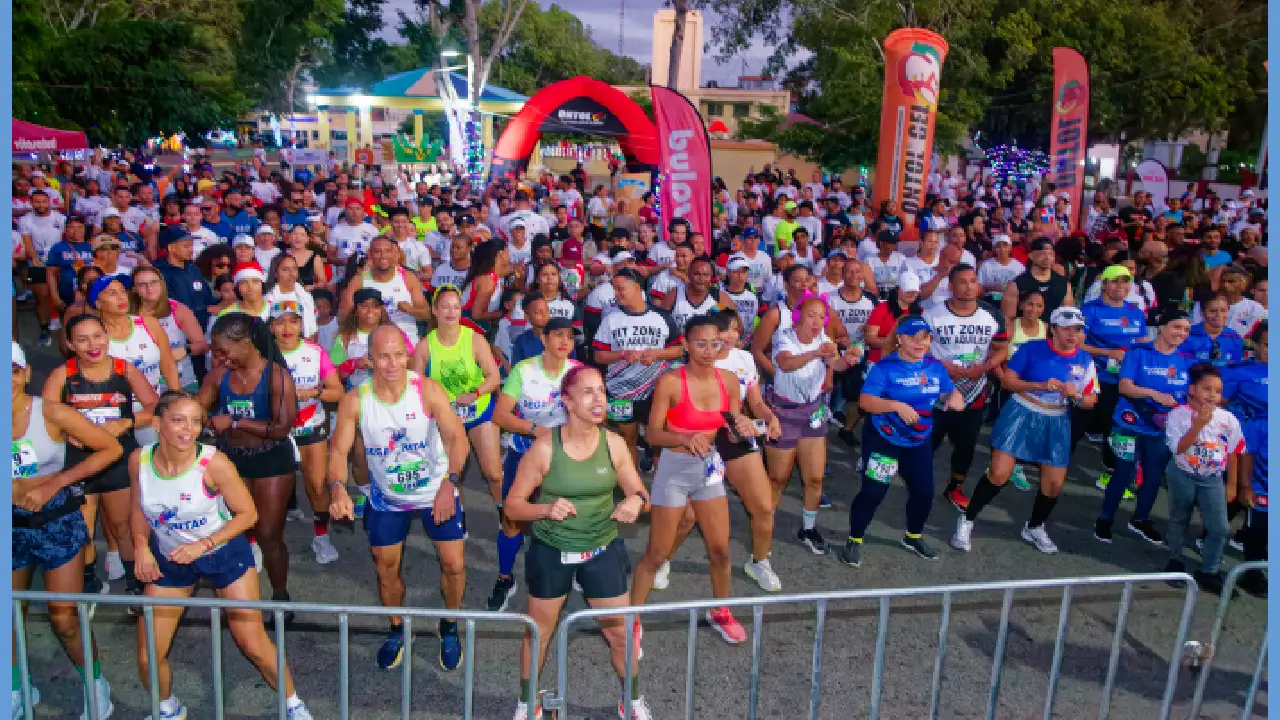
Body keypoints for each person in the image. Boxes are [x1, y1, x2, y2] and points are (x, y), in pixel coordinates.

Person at [129, 391, 315, 720]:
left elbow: (248, 514)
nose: (188, 429)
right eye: (178, 420)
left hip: (223, 553)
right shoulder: (139, 461)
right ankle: (168, 709)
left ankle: (293, 704)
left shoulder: (213, 462)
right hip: (171, 560)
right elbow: (138, 507)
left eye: (195, 421)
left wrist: (203, 545)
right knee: (147, 656)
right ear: (157, 424)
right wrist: (141, 546)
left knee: (253, 643)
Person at [504, 365, 651, 720]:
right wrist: (545, 509)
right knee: (538, 634)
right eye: (588, 392)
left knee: (620, 635)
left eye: (601, 391)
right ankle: (527, 702)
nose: (599, 399)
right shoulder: (544, 448)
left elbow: (641, 494)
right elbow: (512, 506)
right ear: (567, 402)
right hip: (552, 551)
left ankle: (631, 700)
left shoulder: (614, 444)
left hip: (601, 548)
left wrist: (635, 502)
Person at [327, 324, 471, 671]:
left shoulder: (427, 390)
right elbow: (338, 450)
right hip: (387, 499)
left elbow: (457, 439)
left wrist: (451, 483)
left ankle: (450, 625)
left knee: (454, 565)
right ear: (370, 359)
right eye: (383, 357)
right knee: (385, 568)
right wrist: (337, 487)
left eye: (398, 355)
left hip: (436, 491)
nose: (392, 364)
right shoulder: (356, 400)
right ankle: (397, 628)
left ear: (407, 355)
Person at [632, 315, 761, 643]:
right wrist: (684, 437)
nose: (708, 350)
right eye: (700, 343)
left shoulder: (729, 380)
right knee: (656, 554)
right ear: (686, 345)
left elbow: (731, 426)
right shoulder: (670, 382)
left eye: (714, 343)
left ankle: (720, 611)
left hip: (709, 471)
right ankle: (631, 619)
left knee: (720, 550)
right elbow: (652, 434)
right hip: (674, 470)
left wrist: (744, 426)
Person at [11, 341, 122, 720]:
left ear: (26, 373)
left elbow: (109, 448)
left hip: (55, 522)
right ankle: (16, 687)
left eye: (12, 372)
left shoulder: (50, 412)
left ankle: (95, 684)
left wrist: (55, 483)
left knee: (64, 619)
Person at [952, 306, 1099, 555]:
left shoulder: (1085, 360)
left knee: (1054, 484)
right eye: (1067, 329)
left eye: (1077, 330)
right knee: (999, 474)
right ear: (1053, 329)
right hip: (1022, 411)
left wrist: (1076, 396)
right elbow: (1008, 381)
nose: (1072, 335)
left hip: (1057, 419)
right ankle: (967, 520)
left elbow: (1091, 400)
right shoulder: (1032, 349)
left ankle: (1034, 527)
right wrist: (1039, 385)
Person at [44, 312, 159, 606]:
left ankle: (135, 586)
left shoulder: (124, 369)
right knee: (82, 529)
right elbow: (44, 416)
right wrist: (66, 432)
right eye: (82, 340)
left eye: (97, 336)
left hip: (118, 459)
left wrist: (127, 422)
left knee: (122, 526)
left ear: (107, 336)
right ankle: (87, 584)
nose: (92, 345)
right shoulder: (63, 374)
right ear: (70, 344)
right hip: (78, 462)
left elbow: (155, 408)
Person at [840, 315, 964, 566]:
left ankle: (913, 536)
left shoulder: (935, 366)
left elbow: (948, 390)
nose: (920, 343)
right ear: (900, 339)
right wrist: (896, 405)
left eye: (925, 338)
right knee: (873, 492)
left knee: (923, 492)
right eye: (913, 338)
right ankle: (855, 538)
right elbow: (865, 402)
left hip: (918, 441)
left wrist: (953, 396)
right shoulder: (885, 367)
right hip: (884, 439)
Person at [197, 312, 299, 616]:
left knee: (268, 535)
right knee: (233, 532)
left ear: (246, 343)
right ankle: (239, 596)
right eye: (215, 351)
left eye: (223, 350)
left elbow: (281, 428)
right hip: (232, 459)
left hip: (272, 459)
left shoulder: (276, 375)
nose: (219, 357)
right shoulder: (219, 376)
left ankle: (280, 595)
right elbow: (197, 410)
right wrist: (197, 420)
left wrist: (234, 421)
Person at [490, 317, 581, 611]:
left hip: (564, 456)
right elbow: (501, 415)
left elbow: (596, 412)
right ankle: (505, 579)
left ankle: (573, 566)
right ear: (544, 339)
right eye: (558, 335)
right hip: (525, 453)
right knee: (512, 518)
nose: (565, 342)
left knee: (568, 514)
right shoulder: (524, 370)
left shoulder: (579, 372)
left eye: (570, 337)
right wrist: (535, 430)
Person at [1092, 308, 1194, 544]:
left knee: (1153, 476)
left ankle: (1140, 519)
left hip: (1161, 429)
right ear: (1162, 327)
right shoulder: (1138, 353)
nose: (1181, 333)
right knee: (1123, 473)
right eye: (1177, 327)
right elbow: (1124, 386)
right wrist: (1154, 394)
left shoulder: (1187, 360)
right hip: (1129, 423)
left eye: (1186, 330)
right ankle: (1105, 519)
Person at [767, 295, 859, 554]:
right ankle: (765, 524)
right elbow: (785, 363)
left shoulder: (824, 340)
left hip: (813, 413)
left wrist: (848, 359)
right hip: (784, 413)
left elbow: (835, 363)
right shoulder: (784, 337)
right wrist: (815, 353)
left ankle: (808, 529)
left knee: (815, 478)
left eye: (821, 317)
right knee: (778, 478)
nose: (817, 322)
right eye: (811, 316)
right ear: (798, 317)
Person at [411, 285, 504, 532]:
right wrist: (436, 404)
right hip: (447, 416)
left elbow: (494, 377)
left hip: (479, 409)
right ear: (434, 310)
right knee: (453, 473)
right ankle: (458, 519)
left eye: (456, 306)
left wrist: (475, 393)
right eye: (445, 307)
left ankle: (505, 512)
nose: (451, 312)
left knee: (494, 472)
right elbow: (416, 386)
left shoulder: (474, 339)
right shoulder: (425, 346)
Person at [927, 265, 1009, 511]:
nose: (969, 287)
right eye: (962, 282)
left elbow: (1001, 349)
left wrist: (984, 367)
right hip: (938, 389)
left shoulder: (992, 315)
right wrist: (941, 366)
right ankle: (919, 481)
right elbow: (916, 349)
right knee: (928, 441)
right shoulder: (931, 315)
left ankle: (955, 487)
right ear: (951, 286)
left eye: (973, 281)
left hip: (974, 390)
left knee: (966, 444)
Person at [270, 300, 344, 564]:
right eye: (280, 322)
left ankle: (321, 537)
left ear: (302, 325)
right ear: (271, 326)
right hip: (276, 430)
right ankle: (260, 542)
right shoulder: (262, 354)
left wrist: (314, 392)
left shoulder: (315, 352)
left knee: (316, 486)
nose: (287, 328)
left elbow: (337, 391)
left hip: (311, 425)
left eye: (293, 321)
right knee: (272, 490)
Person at [1161, 363, 1245, 594]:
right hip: (1182, 473)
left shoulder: (1227, 419)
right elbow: (1179, 449)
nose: (1213, 395)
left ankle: (1209, 571)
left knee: (1219, 527)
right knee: (1179, 517)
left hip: (1212, 478)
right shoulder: (1177, 416)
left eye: (1218, 391)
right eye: (1207, 389)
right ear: (1192, 389)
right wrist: (1198, 425)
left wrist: (1232, 484)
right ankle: (1174, 559)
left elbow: (1235, 451)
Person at [591, 269, 684, 462]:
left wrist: (657, 354)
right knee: (627, 439)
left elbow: (679, 350)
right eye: (614, 289)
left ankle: (659, 479)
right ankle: (631, 480)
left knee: (658, 441)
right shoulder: (610, 319)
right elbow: (598, 356)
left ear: (636, 287)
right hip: (620, 391)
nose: (616, 294)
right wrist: (622, 355)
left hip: (656, 391)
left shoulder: (662, 316)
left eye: (620, 288)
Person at [1077, 265, 1148, 489]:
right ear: (1105, 285)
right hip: (1098, 377)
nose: (1120, 286)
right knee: (1086, 423)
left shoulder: (1136, 312)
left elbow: (1143, 344)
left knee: (1119, 425)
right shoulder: (1090, 310)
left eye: (1125, 281)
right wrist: (1109, 353)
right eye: (1115, 281)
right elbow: (1077, 345)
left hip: (1127, 379)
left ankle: (1112, 472)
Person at [93, 274, 180, 442]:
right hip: (114, 410)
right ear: (98, 303)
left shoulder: (149, 324)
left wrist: (176, 400)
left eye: (122, 291)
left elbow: (168, 365)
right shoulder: (94, 335)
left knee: (155, 452)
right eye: (112, 293)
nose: (121, 297)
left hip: (151, 406)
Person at [1228, 323, 1268, 596]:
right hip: (1246, 457)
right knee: (1251, 517)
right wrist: (1245, 485)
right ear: (1255, 345)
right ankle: (1251, 574)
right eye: (1267, 345)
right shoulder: (1239, 372)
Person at [340, 235, 431, 345]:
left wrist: (410, 310)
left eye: (387, 251)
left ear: (394, 254)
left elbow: (427, 314)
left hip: (406, 343)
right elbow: (344, 316)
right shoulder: (359, 280)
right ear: (370, 254)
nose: (383, 256)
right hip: (371, 344)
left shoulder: (408, 278)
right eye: (378, 252)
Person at [132, 266, 204, 392]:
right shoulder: (128, 314)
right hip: (144, 387)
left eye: (153, 282)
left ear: (162, 284)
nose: (149, 288)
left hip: (182, 381)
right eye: (142, 285)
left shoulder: (178, 309)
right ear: (134, 289)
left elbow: (202, 345)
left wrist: (185, 350)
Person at [1001, 237, 1072, 324]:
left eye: (1050, 254)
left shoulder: (1064, 284)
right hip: (1023, 331)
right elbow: (1008, 319)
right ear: (1030, 255)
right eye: (1042, 254)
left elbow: (1068, 317)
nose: (1047, 257)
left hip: (1053, 330)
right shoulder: (1016, 285)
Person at [1180, 293, 1246, 367]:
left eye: (1223, 310)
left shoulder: (1235, 338)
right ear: (1202, 313)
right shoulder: (1188, 334)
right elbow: (1181, 365)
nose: (1219, 315)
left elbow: (1236, 367)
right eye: (1213, 311)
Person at [265, 254, 319, 340]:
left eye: (294, 268)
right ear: (275, 273)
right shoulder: (267, 298)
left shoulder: (306, 296)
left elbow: (313, 330)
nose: (292, 274)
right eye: (285, 270)